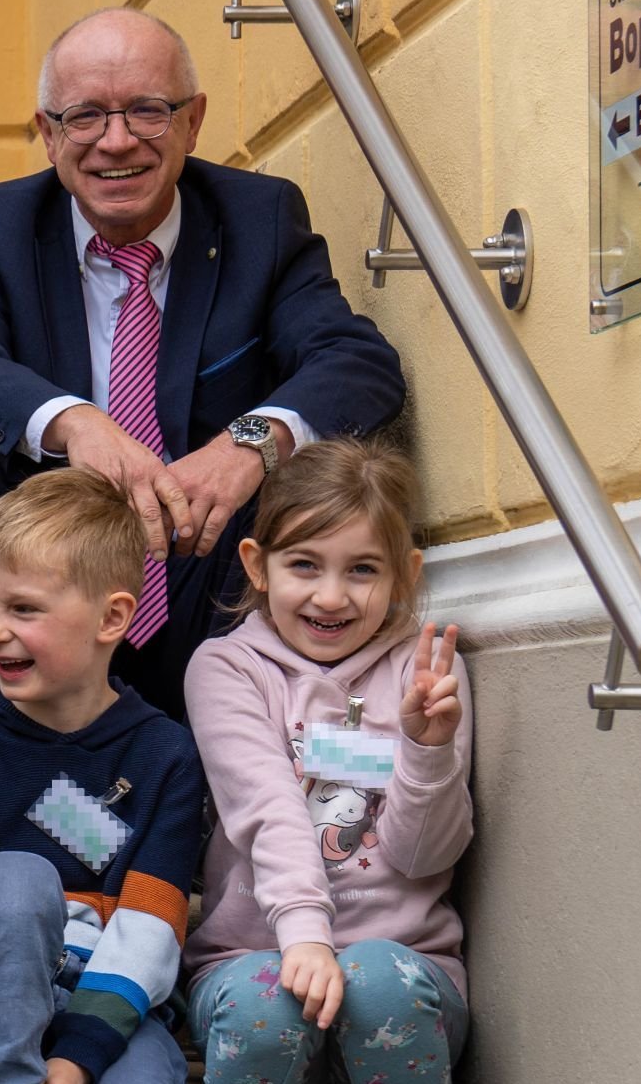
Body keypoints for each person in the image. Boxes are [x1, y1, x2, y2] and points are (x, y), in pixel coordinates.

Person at [0, 7, 405, 715]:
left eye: (147, 110)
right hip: (52, 566)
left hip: (202, 557)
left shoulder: (257, 218)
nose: (116, 141)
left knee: (270, 480)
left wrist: (245, 445)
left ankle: (220, 733)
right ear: (48, 134)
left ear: (193, 121)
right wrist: (77, 425)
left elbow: (355, 360)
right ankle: (26, 732)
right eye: (85, 117)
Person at [0, 469, 204, 1084]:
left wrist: (75, 1061)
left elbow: (149, 927)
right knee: (19, 876)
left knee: (144, 1075)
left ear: (112, 618)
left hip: (107, 1004)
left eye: (23, 608)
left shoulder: (165, 754)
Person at [184, 439, 472, 1082]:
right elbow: (266, 807)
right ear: (258, 566)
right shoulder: (227, 668)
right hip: (250, 957)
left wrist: (427, 749)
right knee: (269, 1001)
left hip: (406, 965)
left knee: (376, 983)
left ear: (406, 573)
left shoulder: (423, 671)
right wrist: (307, 934)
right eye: (305, 565)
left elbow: (425, 856)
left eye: (363, 569)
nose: (332, 596)